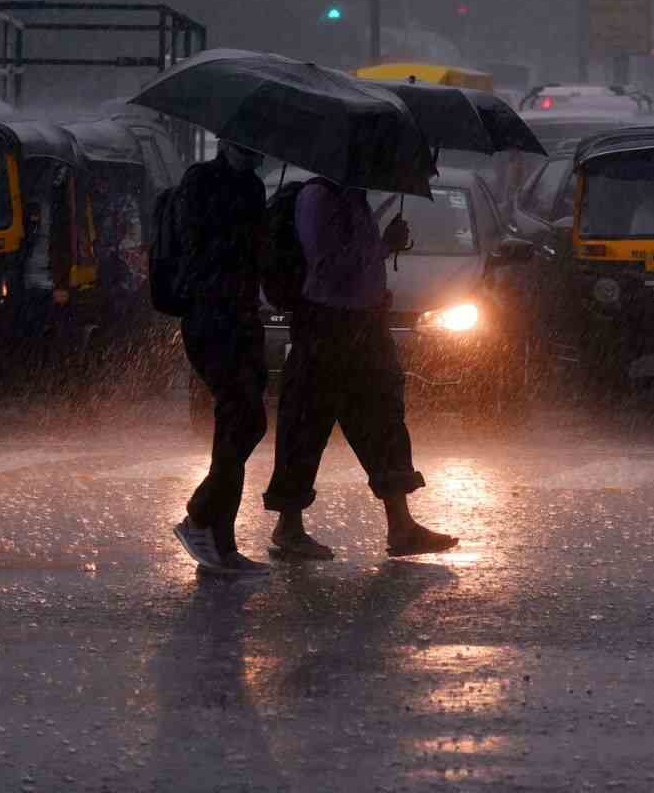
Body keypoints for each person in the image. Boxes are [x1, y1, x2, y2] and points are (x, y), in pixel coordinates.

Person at [263, 179, 458, 561]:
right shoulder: (318, 198)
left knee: (383, 421)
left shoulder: (355, 198)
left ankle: (401, 526)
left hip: (365, 325)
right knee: (306, 424)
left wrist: (385, 247)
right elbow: (329, 265)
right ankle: (288, 526)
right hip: (328, 326)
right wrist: (382, 246)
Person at [169, 141, 272, 575]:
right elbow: (200, 246)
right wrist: (244, 233)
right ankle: (199, 515)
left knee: (241, 421)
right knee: (243, 416)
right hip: (210, 316)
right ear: (227, 143)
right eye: (246, 146)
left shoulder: (253, 186)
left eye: (257, 148)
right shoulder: (200, 180)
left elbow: (255, 256)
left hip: (244, 315)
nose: (254, 154)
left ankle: (220, 541)